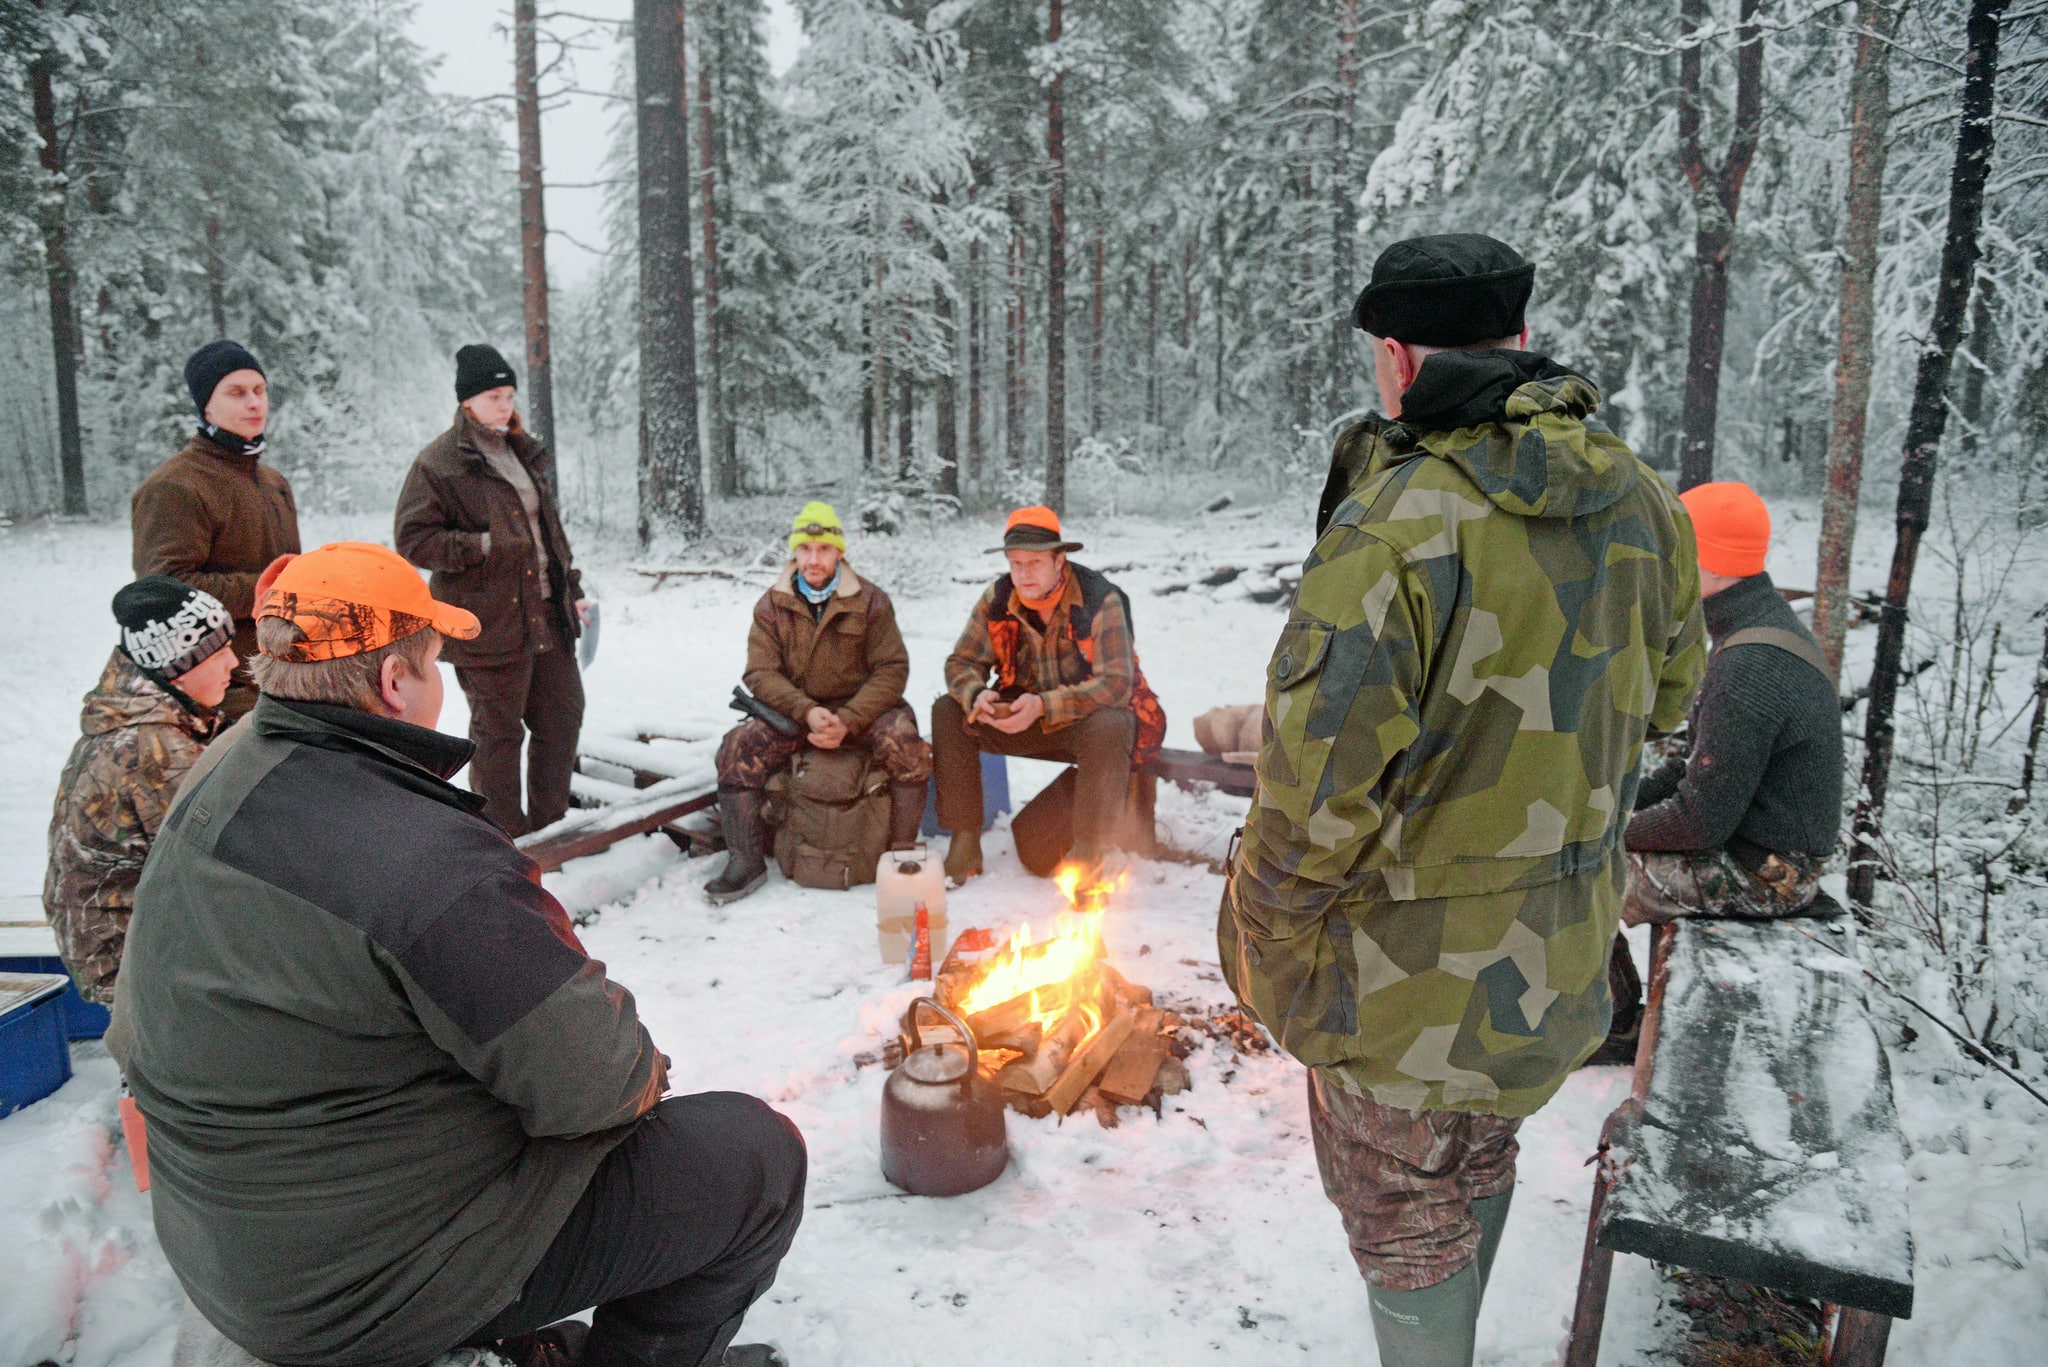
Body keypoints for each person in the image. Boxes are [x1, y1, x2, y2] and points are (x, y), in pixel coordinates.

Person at [108, 542, 803, 1367]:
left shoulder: (225, 762)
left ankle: (513, 1334)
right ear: (396, 682)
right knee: (753, 1157)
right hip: (351, 1285)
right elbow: (601, 1084)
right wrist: (635, 1067)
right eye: (436, 662)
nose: (444, 685)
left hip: (227, 1235)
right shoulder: (419, 856)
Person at [1217, 234, 1705, 1367]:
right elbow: (1669, 694)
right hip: (1556, 964)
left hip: (1398, 989)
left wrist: (1265, 941)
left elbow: (1311, 796)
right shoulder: (1641, 501)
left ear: (1394, 360)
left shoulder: (1394, 530)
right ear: (1521, 342)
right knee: (1481, 1155)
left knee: (1402, 1216)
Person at [1623, 481, 1843, 922]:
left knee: (1585, 875)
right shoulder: (1758, 629)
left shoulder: (1750, 663)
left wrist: (1603, 834)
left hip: (1771, 876)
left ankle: (1604, 995)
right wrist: (1613, 808)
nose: (1667, 565)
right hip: (1757, 853)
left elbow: (1699, 821)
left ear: (1715, 563)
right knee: (1587, 859)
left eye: (1677, 550)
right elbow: (1690, 769)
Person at [396, 343, 591, 837]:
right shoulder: (440, 462)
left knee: (562, 718)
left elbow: (547, 532)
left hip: (546, 614)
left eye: (508, 395)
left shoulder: (522, 451)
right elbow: (412, 539)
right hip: (486, 623)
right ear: (467, 402)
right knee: (499, 737)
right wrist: (479, 545)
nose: (504, 405)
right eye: (492, 396)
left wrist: (572, 589)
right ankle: (506, 842)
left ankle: (553, 829)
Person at [706, 501, 931, 904]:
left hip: (860, 711)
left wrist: (848, 719)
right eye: (805, 549)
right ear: (794, 551)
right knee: (737, 748)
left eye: (823, 549)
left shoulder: (870, 601)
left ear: (840, 552)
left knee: (908, 747)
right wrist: (806, 712)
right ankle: (746, 859)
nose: (813, 559)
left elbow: (891, 670)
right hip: (797, 712)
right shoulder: (772, 604)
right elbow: (760, 673)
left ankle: (901, 853)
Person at [934, 506, 1166, 885]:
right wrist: (977, 695)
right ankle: (964, 840)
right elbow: (960, 662)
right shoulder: (997, 597)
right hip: (1020, 717)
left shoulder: (1100, 600)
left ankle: (1090, 851)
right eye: (1015, 563)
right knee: (949, 711)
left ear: (1061, 559)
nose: (1023, 573)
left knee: (1113, 722)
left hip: (1082, 726)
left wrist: (1044, 705)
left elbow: (1116, 683)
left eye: (1035, 562)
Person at [43, 577, 235, 1005]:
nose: (233, 663)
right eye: (219, 652)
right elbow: (226, 861)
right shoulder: (152, 749)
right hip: (130, 959)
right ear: (180, 665)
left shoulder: (154, 721)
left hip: (129, 936)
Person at [131, 339, 301, 720]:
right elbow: (163, 593)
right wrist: (269, 590)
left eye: (259, 391)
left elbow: (288, 572)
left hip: (280, 679)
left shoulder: (273, 482)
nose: (255, 403)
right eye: (236, 393)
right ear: (206, 403)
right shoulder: (174, 487)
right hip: (219, 691)